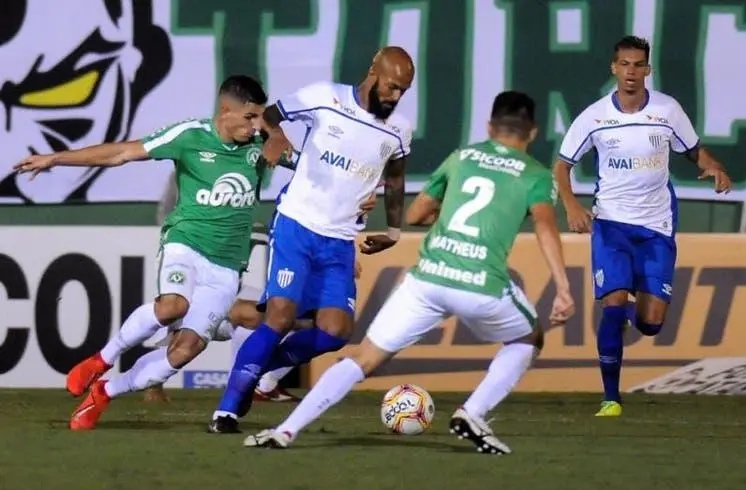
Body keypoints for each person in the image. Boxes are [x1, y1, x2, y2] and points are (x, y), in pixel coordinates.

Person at [243, 91, 575, 453]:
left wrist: (446, 212)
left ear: (489, 126)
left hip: (427, 279)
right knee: (530, 338)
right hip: (481, 283)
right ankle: (473, 411)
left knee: (363, 357)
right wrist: (562, 286)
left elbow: (416, 215)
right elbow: (545, 226)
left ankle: (286, 431)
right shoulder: (536, 175)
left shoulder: (460, 158)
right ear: (533, 132)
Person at [15, 75, 272, 430]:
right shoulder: (189, 136)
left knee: (185, 350)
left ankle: (106, 390)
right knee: (173, 306)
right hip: (186, 242)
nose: (257, 125)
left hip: (228, 266)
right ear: (225, 111)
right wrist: (56, 159)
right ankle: (101, 359)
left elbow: (311, 168)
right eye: (250, 117)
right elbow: (122, 152)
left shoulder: (265, 142)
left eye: (260, 117)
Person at [208, 46, 415, 433]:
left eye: (403, 90)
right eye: (391, 87)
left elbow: (397, 177)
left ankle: (256, 368)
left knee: (336, 332)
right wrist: (275, 135)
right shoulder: (325, 97)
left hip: (338, 240)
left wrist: (393, 231)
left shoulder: (398, 128)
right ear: (374, 71)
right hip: (296, 224)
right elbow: (270, 115)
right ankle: (227, 410)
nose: (395, 96)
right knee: (281, 316)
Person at [553, 36, 732, 417]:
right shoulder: (595, 116)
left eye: (638, 65)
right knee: (613, 303)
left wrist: (713, 166)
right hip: (612, 223)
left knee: (651, 324)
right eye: (624, 64)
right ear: (613, 68)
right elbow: (562, 164)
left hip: (656, 226)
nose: (631, 72)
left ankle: (633, 310)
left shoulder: (667, 110)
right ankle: (611, 398)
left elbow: (693, 149)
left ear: (647, 70)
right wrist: (571, 205)